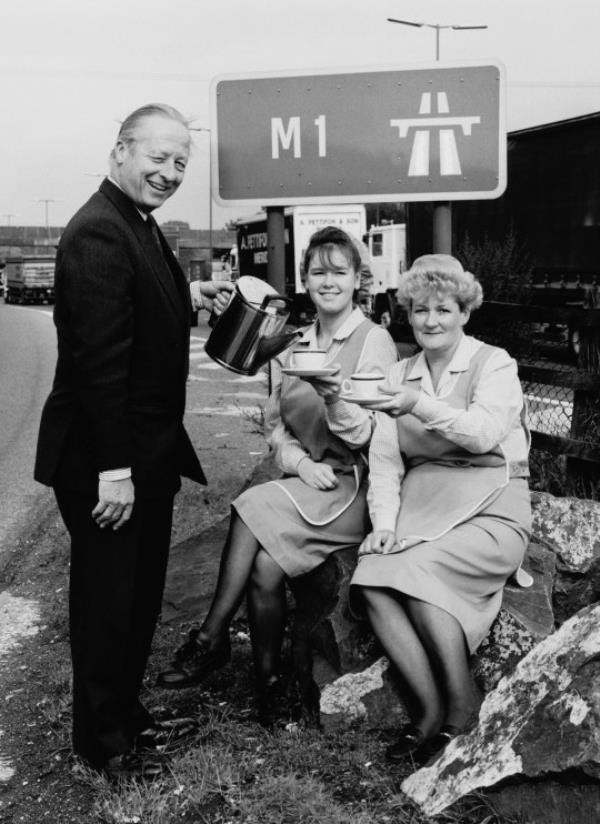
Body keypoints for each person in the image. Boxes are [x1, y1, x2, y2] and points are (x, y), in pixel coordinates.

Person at [34, 104, 233, 780]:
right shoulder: (98, 233)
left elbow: (139, 306)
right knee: (107, 605)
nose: (171, 172)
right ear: (121, 150)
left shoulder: (138, 226)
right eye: (160, 157)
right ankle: (104, 744)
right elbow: (97, 366)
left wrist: (193, 291)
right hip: (104, 460)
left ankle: (126, 714)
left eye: (182, 161)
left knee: (140, 597)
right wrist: (113, 471)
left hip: (145, 453)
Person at [157, 226, 398, 725]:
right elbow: (276, 426)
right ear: (305, 280)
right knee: (265, 569)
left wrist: (333, 397)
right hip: (308, 481)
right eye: (317, 272)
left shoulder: (373, 341)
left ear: (358, 279)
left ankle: (211, 635)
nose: (327, 281)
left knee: (249, 504)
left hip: (354, 487)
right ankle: (269, 688)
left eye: (338, 272)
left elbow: (369, 437)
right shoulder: (296, 342)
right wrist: (300, 464)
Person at [350, 254, 531, 766]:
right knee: (372, 579)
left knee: (420, 576)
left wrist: (417, 405)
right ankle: (427, 712)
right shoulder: (396, 373)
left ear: (464, 313)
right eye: (420, 310)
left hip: (493, 504)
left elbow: (483, 434)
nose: (431, 320)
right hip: (425, 509)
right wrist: (384, 525)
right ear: (408, 314)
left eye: (444, 310)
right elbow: (386, 464)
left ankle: (462, 706)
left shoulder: (493, 363)